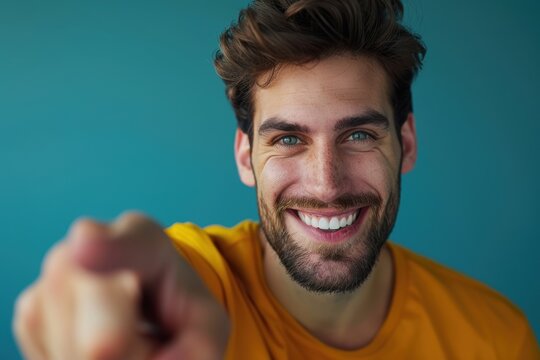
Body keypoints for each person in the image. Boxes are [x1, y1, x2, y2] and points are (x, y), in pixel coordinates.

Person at [13, 0, 539, 359]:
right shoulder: (198, 287)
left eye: (358, 135)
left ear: (406, 143)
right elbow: (149, 280)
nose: (327, 184)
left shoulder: (493, 337)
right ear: (245, 157)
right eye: (288, 139)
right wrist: (113, 304)